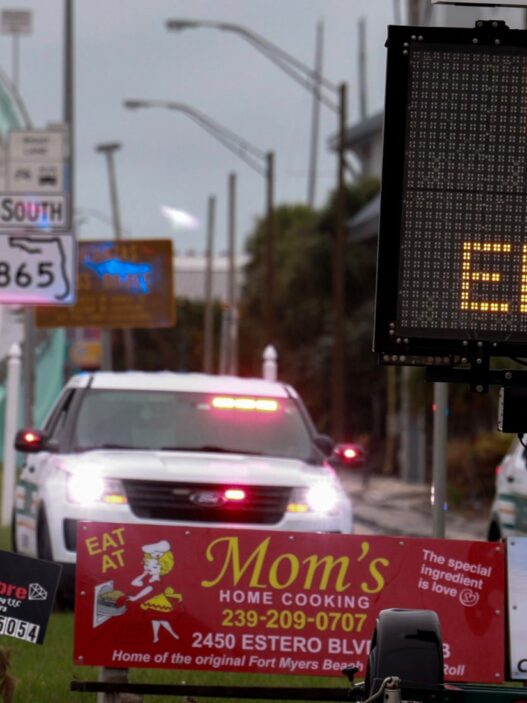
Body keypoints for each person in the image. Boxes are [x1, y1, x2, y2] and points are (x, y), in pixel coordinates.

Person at [127, 539, 183, 643]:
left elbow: (148, 590)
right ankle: (156, 637)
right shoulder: (149, 578)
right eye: (147, 565)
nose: (150, 568)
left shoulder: (155, 580)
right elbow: (134, 582)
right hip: (153, 600)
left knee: (161, 619)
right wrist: (144, 574)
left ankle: (172, 634)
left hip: (159, 601)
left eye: (155, 566)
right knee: (154, 619)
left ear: (163, 567)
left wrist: (135, 598)